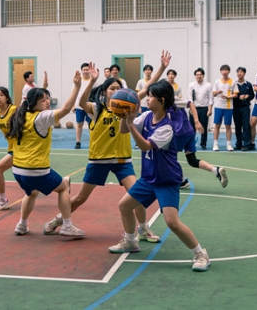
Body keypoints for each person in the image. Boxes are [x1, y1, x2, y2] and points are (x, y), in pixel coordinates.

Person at [43, 53, 169, 241]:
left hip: (122, 160)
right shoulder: (97, 108)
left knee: (136, 196)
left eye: (118, 88)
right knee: (80, 198)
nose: (116, 90)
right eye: (112, 88)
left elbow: (148, 88)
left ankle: (144, 229)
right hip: (99, 160)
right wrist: (92, 80)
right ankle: (59, 219)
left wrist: (162, 68)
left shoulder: (127, 105)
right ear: (105, 92)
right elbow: (81, 103)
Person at [109, 81, 211, 272]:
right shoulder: (146, 116)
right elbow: (123, 130)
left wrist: (130, 123)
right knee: (124, 205)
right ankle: (130, 241)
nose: (147, 99)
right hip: (148, 177)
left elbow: (145, 145)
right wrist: (124, 115)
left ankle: (200, 253)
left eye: (150, 96)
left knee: (172, 222)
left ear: (161, 100)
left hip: (166, 179)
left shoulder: (167, 127)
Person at [7, 72, 85, 237]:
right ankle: (67, 225)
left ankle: (21, 225)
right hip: (35, 169)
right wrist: (76, 87)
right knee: (63, 187)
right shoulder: (41, 117)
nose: (48, 101)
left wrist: (43, 88)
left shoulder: (20, 115)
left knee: (32, 192)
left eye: (47, 98)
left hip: (18, 170)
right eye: (43, 100)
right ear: (34, 103)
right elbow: (65, 109)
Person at [171, 95, 228, 189]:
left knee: (170, 158)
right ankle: (215, 170)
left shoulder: (170, 99)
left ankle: (181, 180)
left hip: (180, 133)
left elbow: (191, 104)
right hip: (189, 131)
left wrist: (197, 122)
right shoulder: (166, 100)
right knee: (192, 160)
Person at [212, 64, 238, 152]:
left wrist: (228, 97)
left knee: (228, 126)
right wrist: (217, 92)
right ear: (220, 72)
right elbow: (214, 94)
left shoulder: (233, 82)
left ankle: (229, 144)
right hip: (218, 106)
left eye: (226, 70)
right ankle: (215, 144)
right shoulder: (217, 82)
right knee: (217, 125)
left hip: (228, 107)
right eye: (223, 70)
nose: (224, 72)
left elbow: (236, 94)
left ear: (229, 71)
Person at [187, 68, 213, 150]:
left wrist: (210, 109)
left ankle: (203, 143)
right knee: (192, 127)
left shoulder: (208, 85)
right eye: (197, 75)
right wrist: (191, 109)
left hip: (204, 108)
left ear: (203, 75)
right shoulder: (191, 85)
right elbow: (190, 98)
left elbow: (211, 98)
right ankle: (191, 142)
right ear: (195, 76)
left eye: (200, 75)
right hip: (193, 108)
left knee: (204, 126)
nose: (199, 76)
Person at [233, 67, 255, 151]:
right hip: (236, 108)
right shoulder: (234, 84)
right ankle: (238, 144)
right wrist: (238, 97)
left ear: (244, 73)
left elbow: (252, 95)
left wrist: (247, 96)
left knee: (246, 126)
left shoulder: (248, 84)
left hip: (245, 108)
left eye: (241, 72)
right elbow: (232, 95)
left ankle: (246, 144)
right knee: (237, 126)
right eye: (238, 72)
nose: (239, 73)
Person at [73, 62, 92, 149]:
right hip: (79, 106)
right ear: (82, 71)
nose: (85, 71)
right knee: (79, 123)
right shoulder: (78, 80)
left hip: (90, 106)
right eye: (84, 70)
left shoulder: (93, 80)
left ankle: (93, 141)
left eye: (87, 70)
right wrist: (73, 105)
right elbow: (74, 92)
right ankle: (78, 142)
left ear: (89, 70)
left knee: (91, 124)